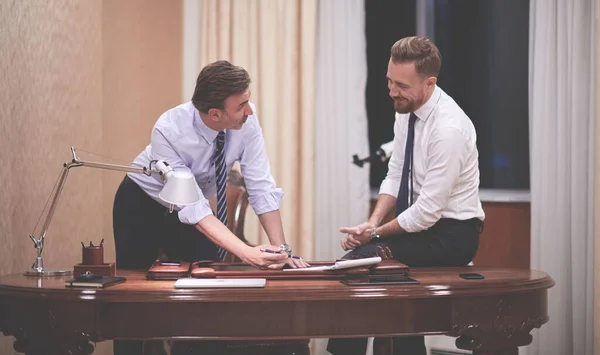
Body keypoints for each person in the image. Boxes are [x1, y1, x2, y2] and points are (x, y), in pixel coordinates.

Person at [113, 60, 308, 354]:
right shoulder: (168, 130)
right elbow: (192, 206)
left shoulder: (247, 123)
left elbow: (261, 186)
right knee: (135, 299)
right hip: (141, 204)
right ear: (215, 114)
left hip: (193, 209)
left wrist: (282, 250)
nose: (250, 110)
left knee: (205, 292)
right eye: (242, 105)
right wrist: (245, 252)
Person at [327, 36, 485, 355]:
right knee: (365, 268)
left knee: (357, 263)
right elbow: (396, 173)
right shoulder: (406, 110)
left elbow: (426, 211)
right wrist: (369, 223)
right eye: (389, 81)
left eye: (401, 84)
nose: (392, 91)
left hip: (453, 234)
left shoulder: (449, 129)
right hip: (422, 230)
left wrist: (372, 234)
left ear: (430, 83)